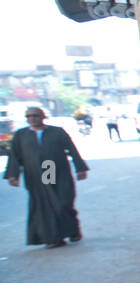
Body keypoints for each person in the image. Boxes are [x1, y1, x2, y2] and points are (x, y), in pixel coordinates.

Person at [4, 106, 90, 248]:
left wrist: (80, 168)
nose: (32, 119)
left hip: (54, 170)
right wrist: (13, 175)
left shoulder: (56, 132)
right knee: (45, 206)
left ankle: (72, 230)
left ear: (43, 117)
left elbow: (72, 149)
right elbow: (14, 156)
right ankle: (54, 237)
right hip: (35, 174)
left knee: (62, 202)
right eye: (29, 116)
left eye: (35, 115)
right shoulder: (21, 135)